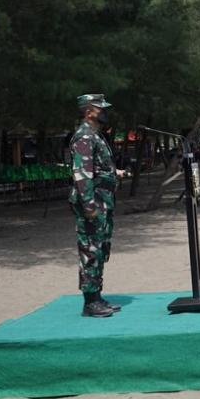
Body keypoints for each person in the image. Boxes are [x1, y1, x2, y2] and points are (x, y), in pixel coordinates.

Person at [70, 94, 125, 318]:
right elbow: (82, 175)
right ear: (89, 111)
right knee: (90, 250)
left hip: (104, 201)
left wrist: (115, 173)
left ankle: (97, 296)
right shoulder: (83, 137)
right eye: (100, 108)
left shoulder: (95, 136)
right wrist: (89, 205)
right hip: (93, 204)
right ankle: (90, 302)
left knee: (100, 248)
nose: (104, 111)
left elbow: (97, 168)